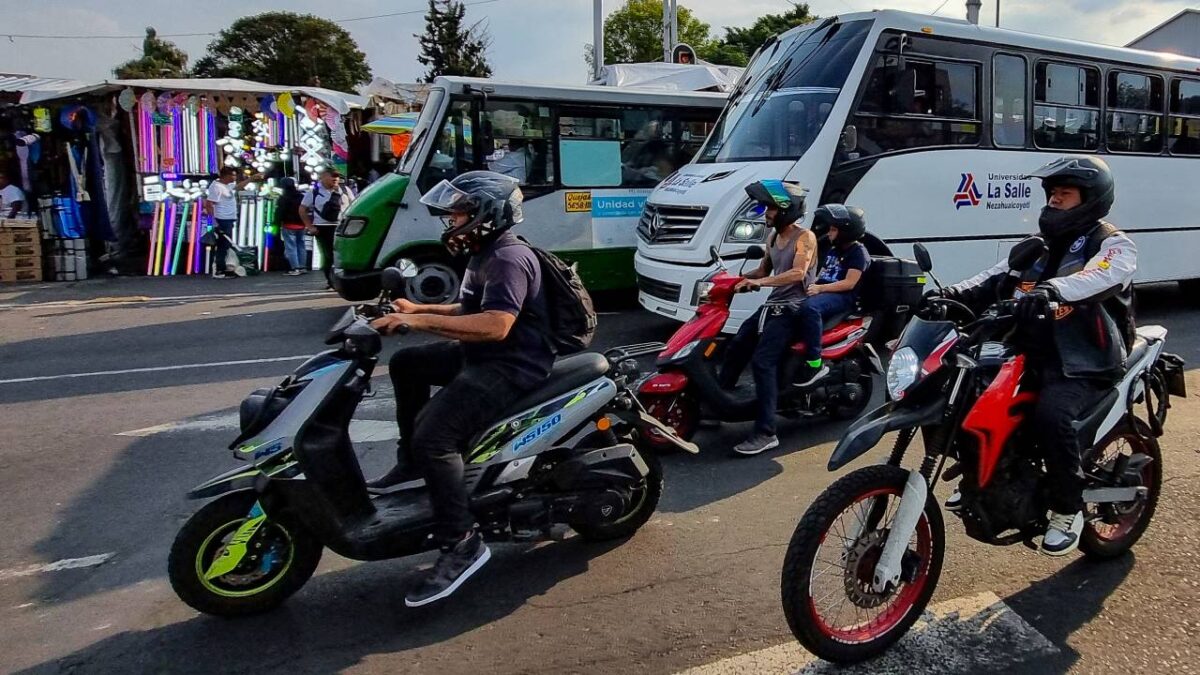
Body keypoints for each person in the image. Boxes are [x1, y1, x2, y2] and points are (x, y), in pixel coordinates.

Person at [368, 171, 554, 607]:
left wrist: (417, 321)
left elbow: (495, 325)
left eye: (458, 213)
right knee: (407, 364)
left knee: (435, 435)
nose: (451, 221)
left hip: (510, 365)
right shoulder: (484, 253)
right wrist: (421, 307)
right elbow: (472, 305)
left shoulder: (509, 258)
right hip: (483, 354)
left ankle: (463, 541)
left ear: (486, 215)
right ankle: (411, 465)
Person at [936, 156, 1136, 557]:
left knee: (1051, 417)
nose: (1055, 200)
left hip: (1084, 358)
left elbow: (1100, 276)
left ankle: (1068, 509)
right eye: (1053, 193)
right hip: (1029, 351)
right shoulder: (1036, 249)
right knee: (966, 393)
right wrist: (948, 296)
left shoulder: (1112, 243)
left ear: (1091, 199)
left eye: (1066, 193)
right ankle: (980, 478)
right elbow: (990, 278)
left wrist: (1053, 290)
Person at [718, 180, 819, 457]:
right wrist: (734, 280)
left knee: (763, 362)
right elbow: (763, 269)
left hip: (794, 307)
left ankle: (766, 432)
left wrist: (760, 285)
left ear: (788, 209)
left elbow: (798, 273)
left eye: (772, 208)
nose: (767, 213)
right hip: (773, 305)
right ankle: (718, 403)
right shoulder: (773, 238)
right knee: (737, 344)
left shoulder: (805, 238)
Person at [796, 204, 872, 384]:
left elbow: (849, 283)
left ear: (847, 231)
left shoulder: (858, 252)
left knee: (810, 308)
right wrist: (811, 284)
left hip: (843, 297)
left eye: (833, 229)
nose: (829, 233)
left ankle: (815, 363)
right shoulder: (834, 250)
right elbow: (824, 274)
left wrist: (820, 289)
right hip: (827, 292)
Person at [300, 168, 355, 287]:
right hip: (323, 227)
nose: (335, 179)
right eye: (332, 176)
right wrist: (309, 226)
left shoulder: (345, 190)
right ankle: (330, 281)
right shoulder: (314, 192)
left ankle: (345, 279)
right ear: (323, 177)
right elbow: (302, 209)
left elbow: (354, 206)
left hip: (341, 226)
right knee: (328, 255)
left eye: (337, 176)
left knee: (343, 254)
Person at [205, 168, 262, 278]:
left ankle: (225, 268)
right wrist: (214, 222)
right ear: (226, 176)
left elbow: (237, 187)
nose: (234, 178)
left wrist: (251, 178)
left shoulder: (227, 186)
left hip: (229, 219)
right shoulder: (216, 187)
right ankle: (219, 270)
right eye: (233, 175)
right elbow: (209, 204)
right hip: (222, 219)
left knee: (226, 245)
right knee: (223, 245)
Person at [275, 177, 307, 276]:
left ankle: (295, 268)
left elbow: (280, 212)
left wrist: (276, 224)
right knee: (301, 245)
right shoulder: (301, 196)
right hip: (301, 224)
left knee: (290, 246)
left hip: (288, 224)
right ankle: (302, 267)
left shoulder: (283, 198)